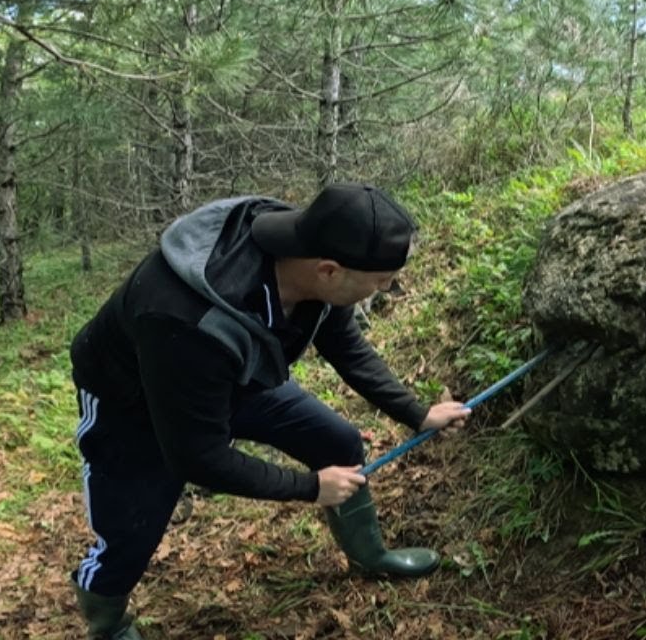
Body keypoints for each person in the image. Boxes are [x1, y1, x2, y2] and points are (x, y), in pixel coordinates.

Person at [67, 183, 471, 640]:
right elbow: (198, 456)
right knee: (130, 535)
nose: (389, 288)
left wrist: (416, 413)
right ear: (330, 271)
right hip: (134, 401)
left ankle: (370, 554)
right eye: (381, 281)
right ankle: (109, 624)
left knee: (336, 441)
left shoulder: (309, 250)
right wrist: (310, 488)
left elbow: (343, 343)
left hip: (233, 376)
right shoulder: (186, 317)